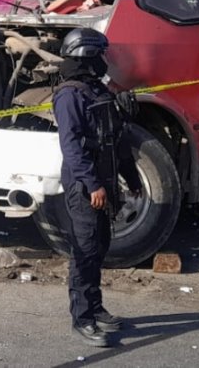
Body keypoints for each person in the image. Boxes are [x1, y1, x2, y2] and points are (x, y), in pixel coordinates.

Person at [52, 28, 143, 349]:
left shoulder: (97, 91)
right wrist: (93, 185)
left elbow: (116, 141)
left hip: (105, 181)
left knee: (100, 245)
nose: (106, 61)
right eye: (101, 55)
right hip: (84, 185)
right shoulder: (70, 95)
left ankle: (95, 306)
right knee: (85, 250)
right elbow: (72, 147)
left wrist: (131, 180)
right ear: (87, 56)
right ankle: (82, 318)